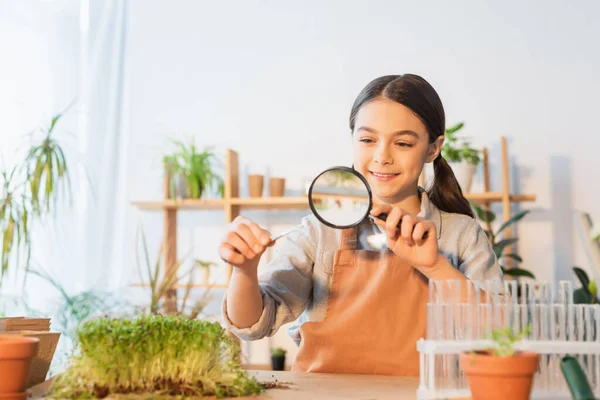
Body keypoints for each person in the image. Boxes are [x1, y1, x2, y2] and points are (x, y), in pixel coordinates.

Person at [218, 74, 503, 376]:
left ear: (433, 149)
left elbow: (500, 335)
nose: (382, 157)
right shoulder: (319, 231)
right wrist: (244, 272)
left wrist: (435, 267)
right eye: (368, 140)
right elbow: (253, 324)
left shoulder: (462, 234)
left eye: (403, 143)